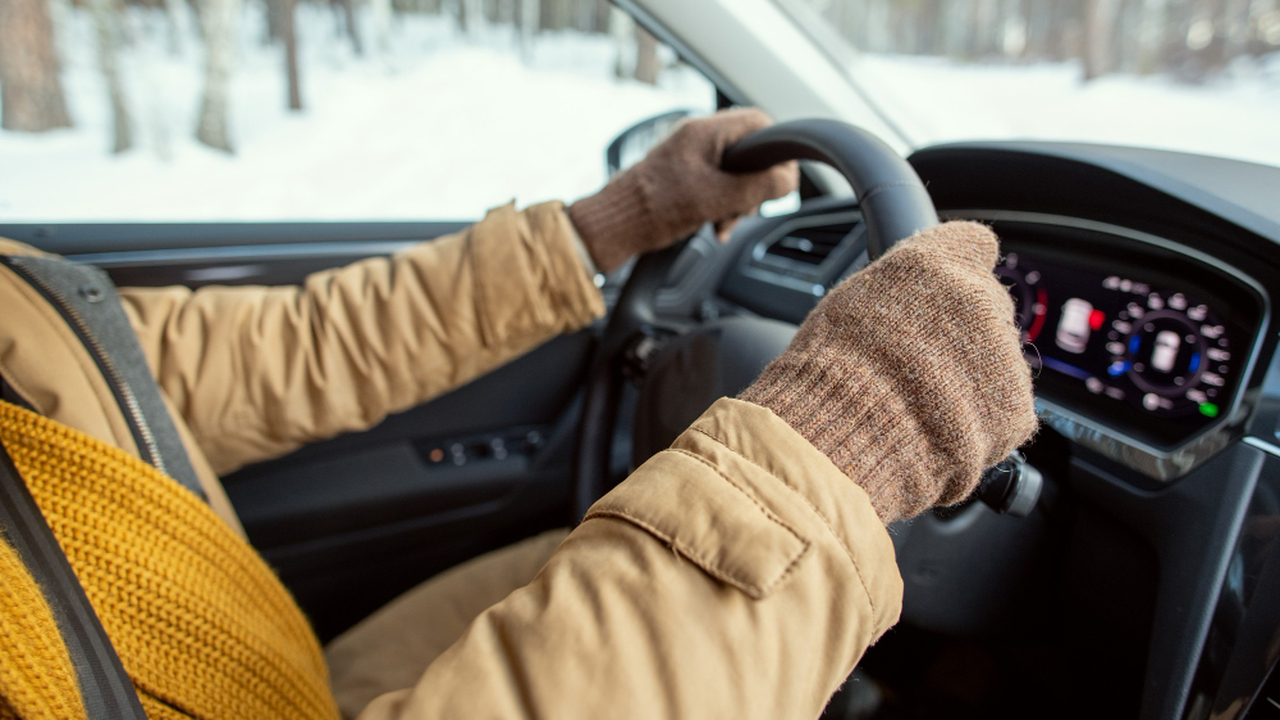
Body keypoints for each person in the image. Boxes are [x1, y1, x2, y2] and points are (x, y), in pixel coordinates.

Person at [0, 108, 1037, 720]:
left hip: (253, 664)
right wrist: (841, 438)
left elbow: (226, 360)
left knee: (584, 548)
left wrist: (616, 221)